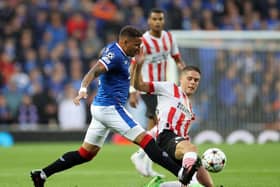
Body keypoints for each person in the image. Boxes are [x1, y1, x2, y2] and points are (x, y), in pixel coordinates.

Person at [30, 25, 193, 187]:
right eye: (136, 45)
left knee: (85, 154)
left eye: (140, 45)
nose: (139, 48)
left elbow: (123, 76)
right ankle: (181, 173)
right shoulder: (115, 55)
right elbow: (94, 71)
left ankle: (42, 174)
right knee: (147, 140)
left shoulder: (122, 53)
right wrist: (83, 89)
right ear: (125, 42)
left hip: (101, 109)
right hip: (110, 108)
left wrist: (136, 73)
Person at [132, 55, 214, 187]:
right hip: (167, 138)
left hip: (178, 144)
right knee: (191, 149)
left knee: (204, 180)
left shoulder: (189, 106)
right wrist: (139, 66)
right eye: (190, 79)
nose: (193, 82)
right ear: (181, 79)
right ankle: (186, 174)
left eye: (196, 80)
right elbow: (139, 85)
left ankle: (160, 186)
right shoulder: (169, 88)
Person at [129, 8, 185, 177]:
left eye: (160, 18)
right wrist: (132, 90)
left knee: (157, 125)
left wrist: (185, 72)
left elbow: (177, 59)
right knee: (157, 122)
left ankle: (144, 160)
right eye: (154, 19)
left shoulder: (169, 38)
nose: (158, 22)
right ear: (149, 21)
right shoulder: (143, 41)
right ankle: (140, 157)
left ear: (164, 20)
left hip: (163, 88)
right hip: (146, 86)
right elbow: (133, 65)